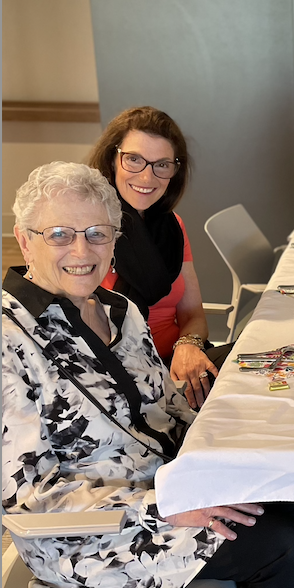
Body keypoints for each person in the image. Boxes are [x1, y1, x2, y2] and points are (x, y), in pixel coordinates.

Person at [2, 162, 294, 588]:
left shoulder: (120, 309)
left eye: (98, 233)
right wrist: (162, 506)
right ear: (24, 238)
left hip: (176, 481)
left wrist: (232, 437)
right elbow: (29, 500)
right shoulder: (9, 340)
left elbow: (164, 408)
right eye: (59, 234)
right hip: (91, 533)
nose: (82, 251)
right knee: (283, 546)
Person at [89, 106, 218, 410]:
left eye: (162, 164)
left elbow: (193, 316)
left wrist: (188, 345)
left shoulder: (173, 227)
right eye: (134, 159)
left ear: (175, 171)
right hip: (121, 381)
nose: (148, 176)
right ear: (112, 159)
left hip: (181, 366)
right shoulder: (89, 229)